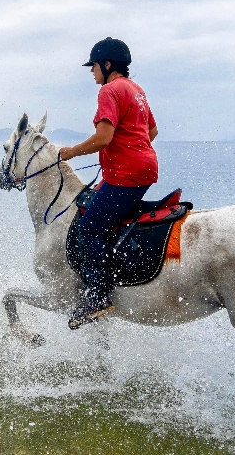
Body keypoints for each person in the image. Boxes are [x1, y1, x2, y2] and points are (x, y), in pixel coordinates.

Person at [58, 37, 159, 330]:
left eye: (94, 66)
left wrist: (71, 152)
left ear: (107, 64)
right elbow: (151, 131)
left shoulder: (110, 91)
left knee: (90, 227)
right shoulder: (136, 90)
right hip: (145, 169)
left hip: (127, 175)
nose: (92, 72)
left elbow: (104, 138)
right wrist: (128, 149)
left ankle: (97, 297)